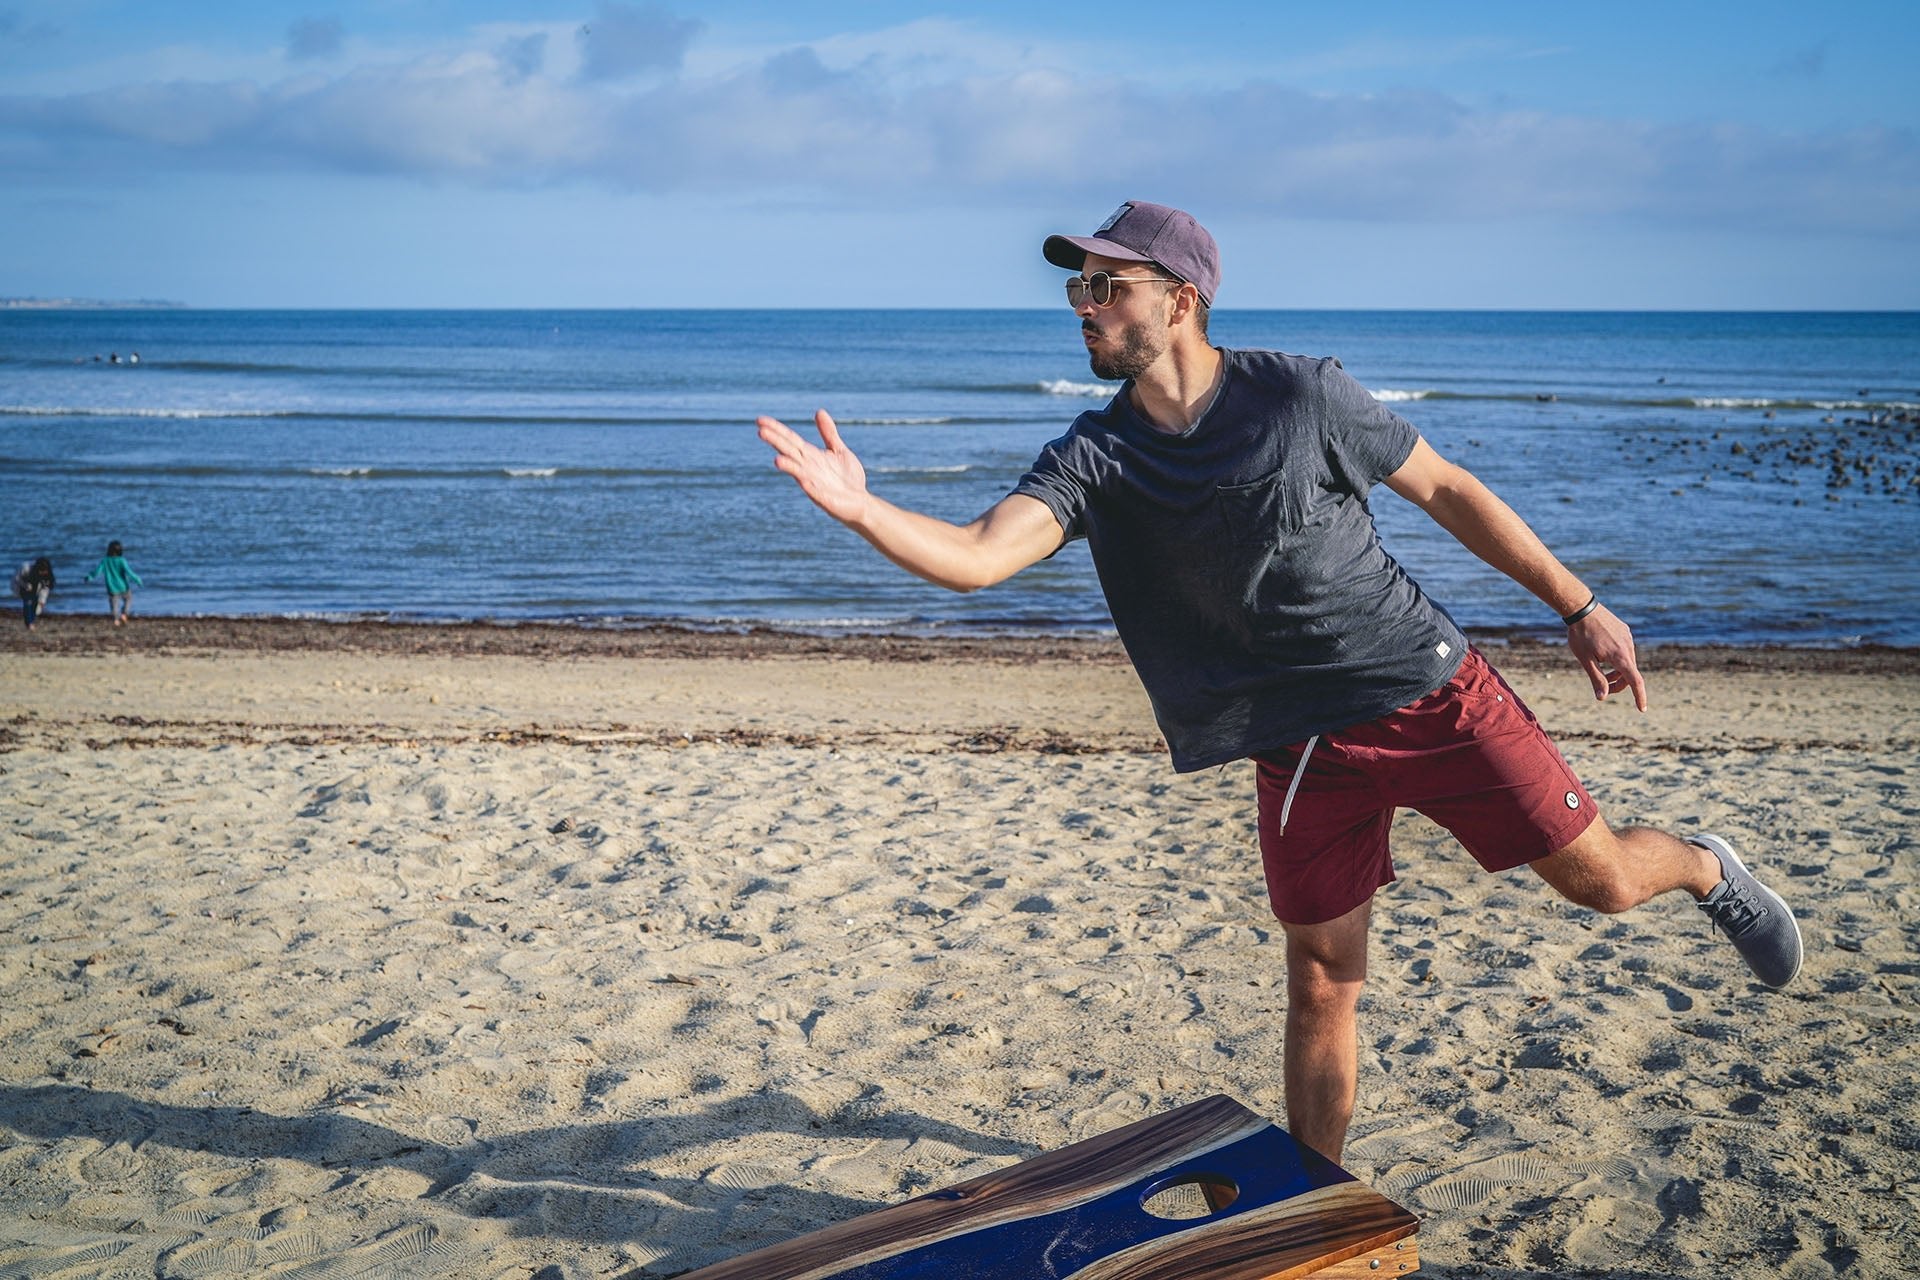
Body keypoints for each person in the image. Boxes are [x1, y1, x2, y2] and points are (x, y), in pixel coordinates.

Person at [754, 200, 1804, 1163]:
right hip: (1298, 748)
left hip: (1429, 693)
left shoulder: (1301, 394)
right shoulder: (1096, 455)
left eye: (1105, 285)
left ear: (1181, 298)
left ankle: (1707, 866)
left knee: (1606, 882)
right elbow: (982, 554)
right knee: (1321, 978)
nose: (1082, 306)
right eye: (1076, 287)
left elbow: (1447, 488)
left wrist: (1578, 605)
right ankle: (1320, 1196)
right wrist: (863, 511)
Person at [84, 540, 144, 625]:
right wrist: (138, 580)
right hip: (123, 586)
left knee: (114, 604)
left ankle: (116, 619)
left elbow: (97, 571)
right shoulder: (121, 560)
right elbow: (129, 572)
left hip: (112, 587)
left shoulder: (105, 561)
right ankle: (124, 614)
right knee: (128, 599)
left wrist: (90, 577)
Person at [12, 556, 55, 630]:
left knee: (35, 602)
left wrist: (42, 601)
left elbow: (45, 589)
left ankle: (32, 621)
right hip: (22, 584)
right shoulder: (25, 567)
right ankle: (29, 624)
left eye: (45, 571)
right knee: (27, 602)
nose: (43, 573)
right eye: (42, 571)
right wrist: (25, 585)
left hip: (35, 587)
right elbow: (17, 579)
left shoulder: (47, 575)